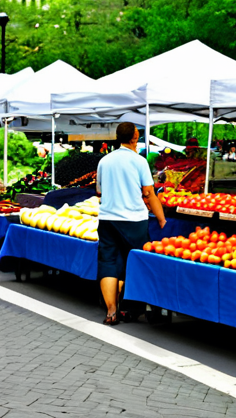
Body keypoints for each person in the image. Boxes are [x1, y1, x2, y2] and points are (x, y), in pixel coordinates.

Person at [97, 122, 166, 325]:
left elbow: (99, 192)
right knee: (135, 262)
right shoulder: (139, 161)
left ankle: (111, 311)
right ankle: (129, 309)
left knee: (108, 263)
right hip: (134, 220)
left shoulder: (105, 161)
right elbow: (149, 192)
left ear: (118, 137)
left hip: (108, 218)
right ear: (135, 137)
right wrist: (161, 217)